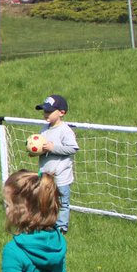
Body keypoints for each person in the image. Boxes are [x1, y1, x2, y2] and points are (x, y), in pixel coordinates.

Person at [35, 94, 78, 233]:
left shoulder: (65, 130)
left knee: (62, 202)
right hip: (45, 173)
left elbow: (73, 148)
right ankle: (46, 223)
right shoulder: (45, 129)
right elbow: (42, 145)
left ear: (61, 112)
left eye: (49, 111)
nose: (45, 114)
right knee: (44, 200)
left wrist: (53, 148)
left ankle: (61, 227)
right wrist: (37, 151)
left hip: (61, 176)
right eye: (44, 111)